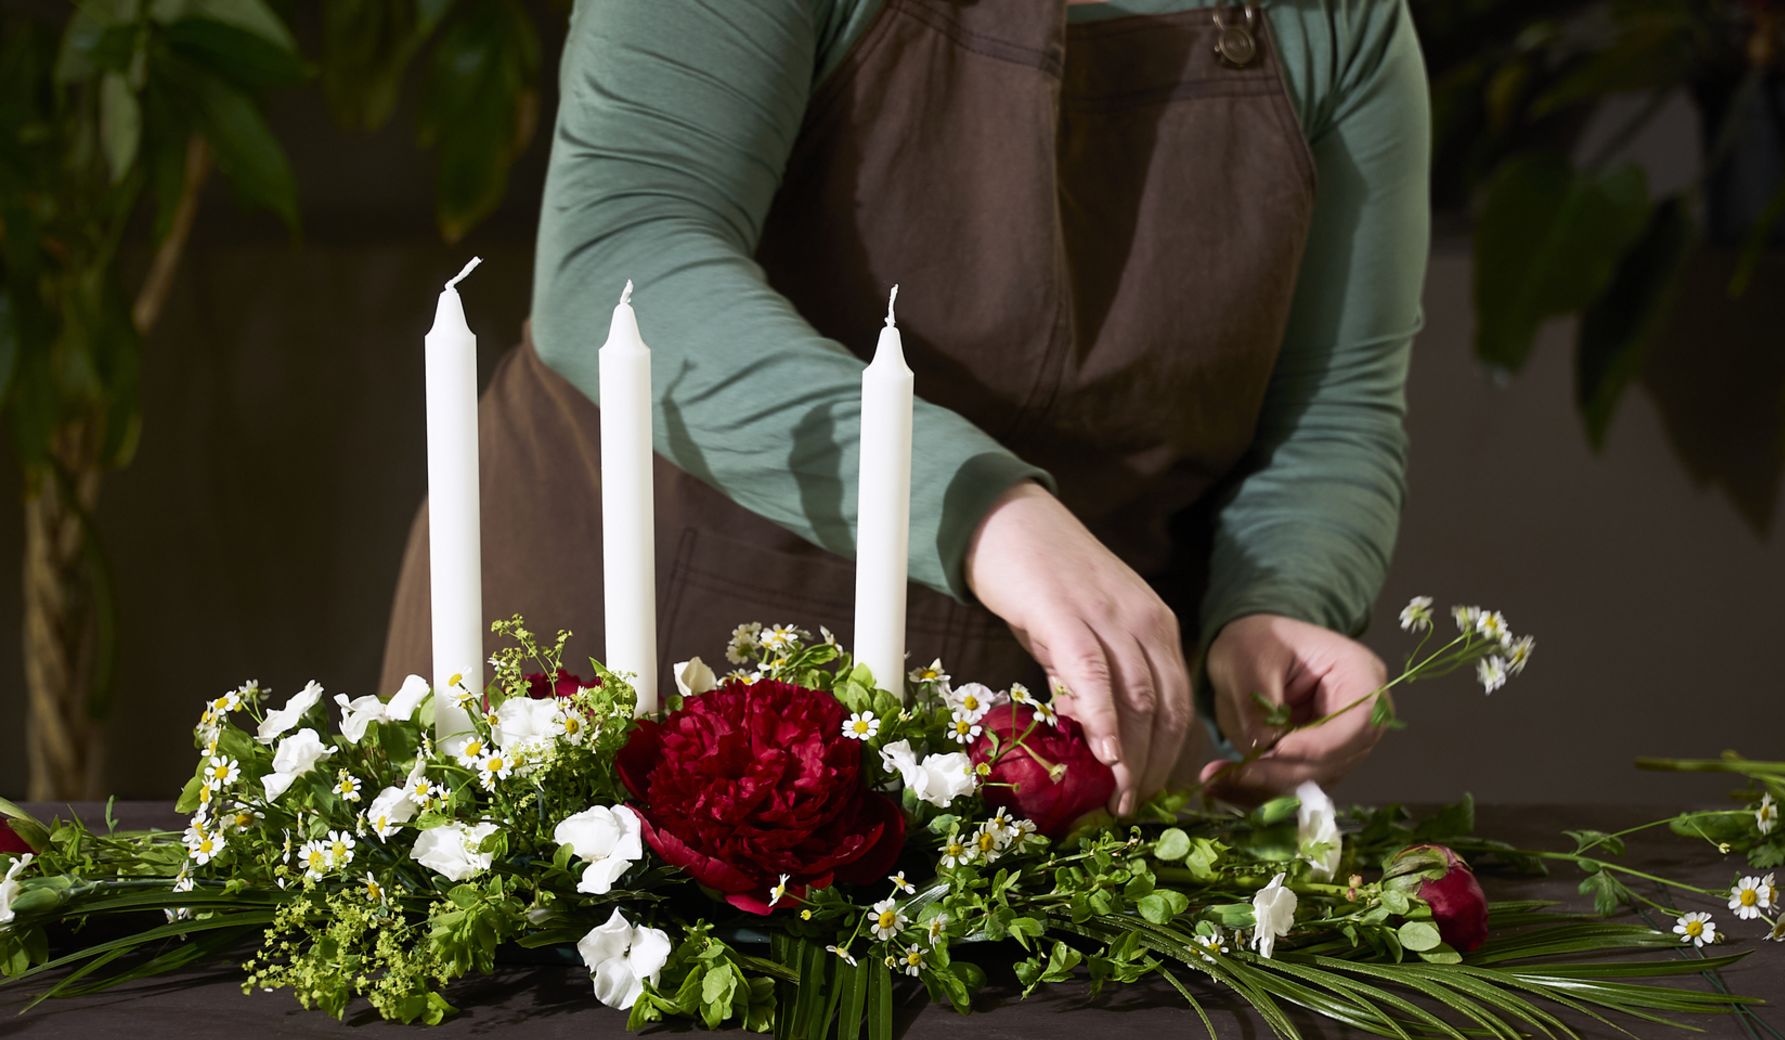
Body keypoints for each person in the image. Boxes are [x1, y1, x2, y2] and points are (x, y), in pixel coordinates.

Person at [382, 0, 1430, 814]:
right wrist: (983, 508)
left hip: (1026, 752)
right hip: (638, 664)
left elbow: (1330, 405)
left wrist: (1279, 600)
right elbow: (622, 249)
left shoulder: (1340, 20)